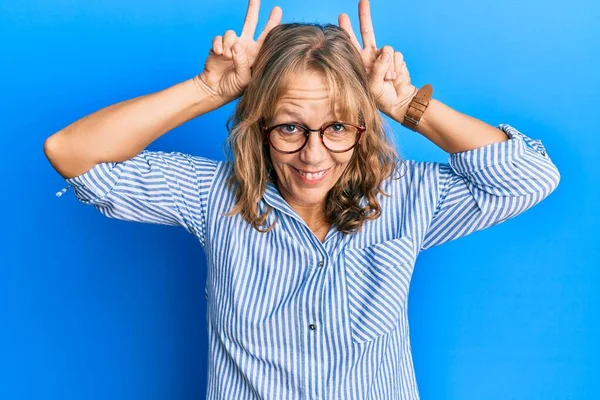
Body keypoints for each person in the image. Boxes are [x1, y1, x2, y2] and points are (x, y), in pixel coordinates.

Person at [44, 0, 560, 398]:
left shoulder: (409, 196)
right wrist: (207, 88)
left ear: (361, 126)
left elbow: (530, 177)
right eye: (290, 127)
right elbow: (71, 152)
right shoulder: (212, 197)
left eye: (336, 126)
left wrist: (407, 104)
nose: (313, 155)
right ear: (260, 125)